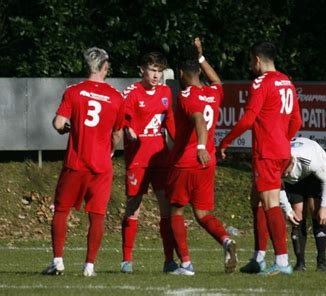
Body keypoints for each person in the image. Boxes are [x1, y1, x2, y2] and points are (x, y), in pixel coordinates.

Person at [219, 40, 302, 276]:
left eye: (250, 60)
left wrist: (225, 141)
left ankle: (283, 261)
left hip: (266, 152)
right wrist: (283, 141)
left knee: (270, 204)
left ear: (257, 60)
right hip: (281, 151)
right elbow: (297, 121)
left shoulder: (260, 82)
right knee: (256, 200)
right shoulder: (287, 81)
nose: (250, 65)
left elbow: (248, 119)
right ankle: (258, 258)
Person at [42, 47, 125, 277]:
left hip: (75, 162)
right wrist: (109, 151)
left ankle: (58, 261)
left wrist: (68, 128)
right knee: (96, 216)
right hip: (101, 166)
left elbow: (59, 124)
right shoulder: (116, 97)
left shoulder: (73, 92)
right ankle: (89, 266)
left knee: (61, 211)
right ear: (105, 67)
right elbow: (117, 134)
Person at [167, 38, 237, 276]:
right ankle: (226, 241)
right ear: (198, 71)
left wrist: (199, 146)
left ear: (180, 73)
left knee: (176, 211)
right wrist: (201, 56)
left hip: (187, 161)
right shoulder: (212, 92)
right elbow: (217, 80)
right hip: (206, 164)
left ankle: (186, 264)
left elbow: (199, 121)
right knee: (202, 214)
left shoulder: (186, 96)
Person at [119, 52, 177, 274]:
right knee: (134, 207)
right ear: (142, 69)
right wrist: (129, 129)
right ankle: (126, 260)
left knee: (166, 208)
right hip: (138, 161)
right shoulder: (132, 92)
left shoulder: (165, 92)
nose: (156, 75)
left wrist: (179, 144)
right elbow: (124, 117)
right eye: (152, 70)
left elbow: (169, 120)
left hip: (160, 159)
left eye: (159, 70)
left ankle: (169, 261)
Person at [279, 137, 326, 272]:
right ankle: (300, 263)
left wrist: (325, 207)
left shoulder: (311, 162)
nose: (284, 174)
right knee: (296, 216)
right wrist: (287, 211)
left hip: (312, 175)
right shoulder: (276, 163)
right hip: (295, 182)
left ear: (291, 162)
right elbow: (278, 188)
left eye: (286, 171)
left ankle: (322, 262)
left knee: (317, 212)